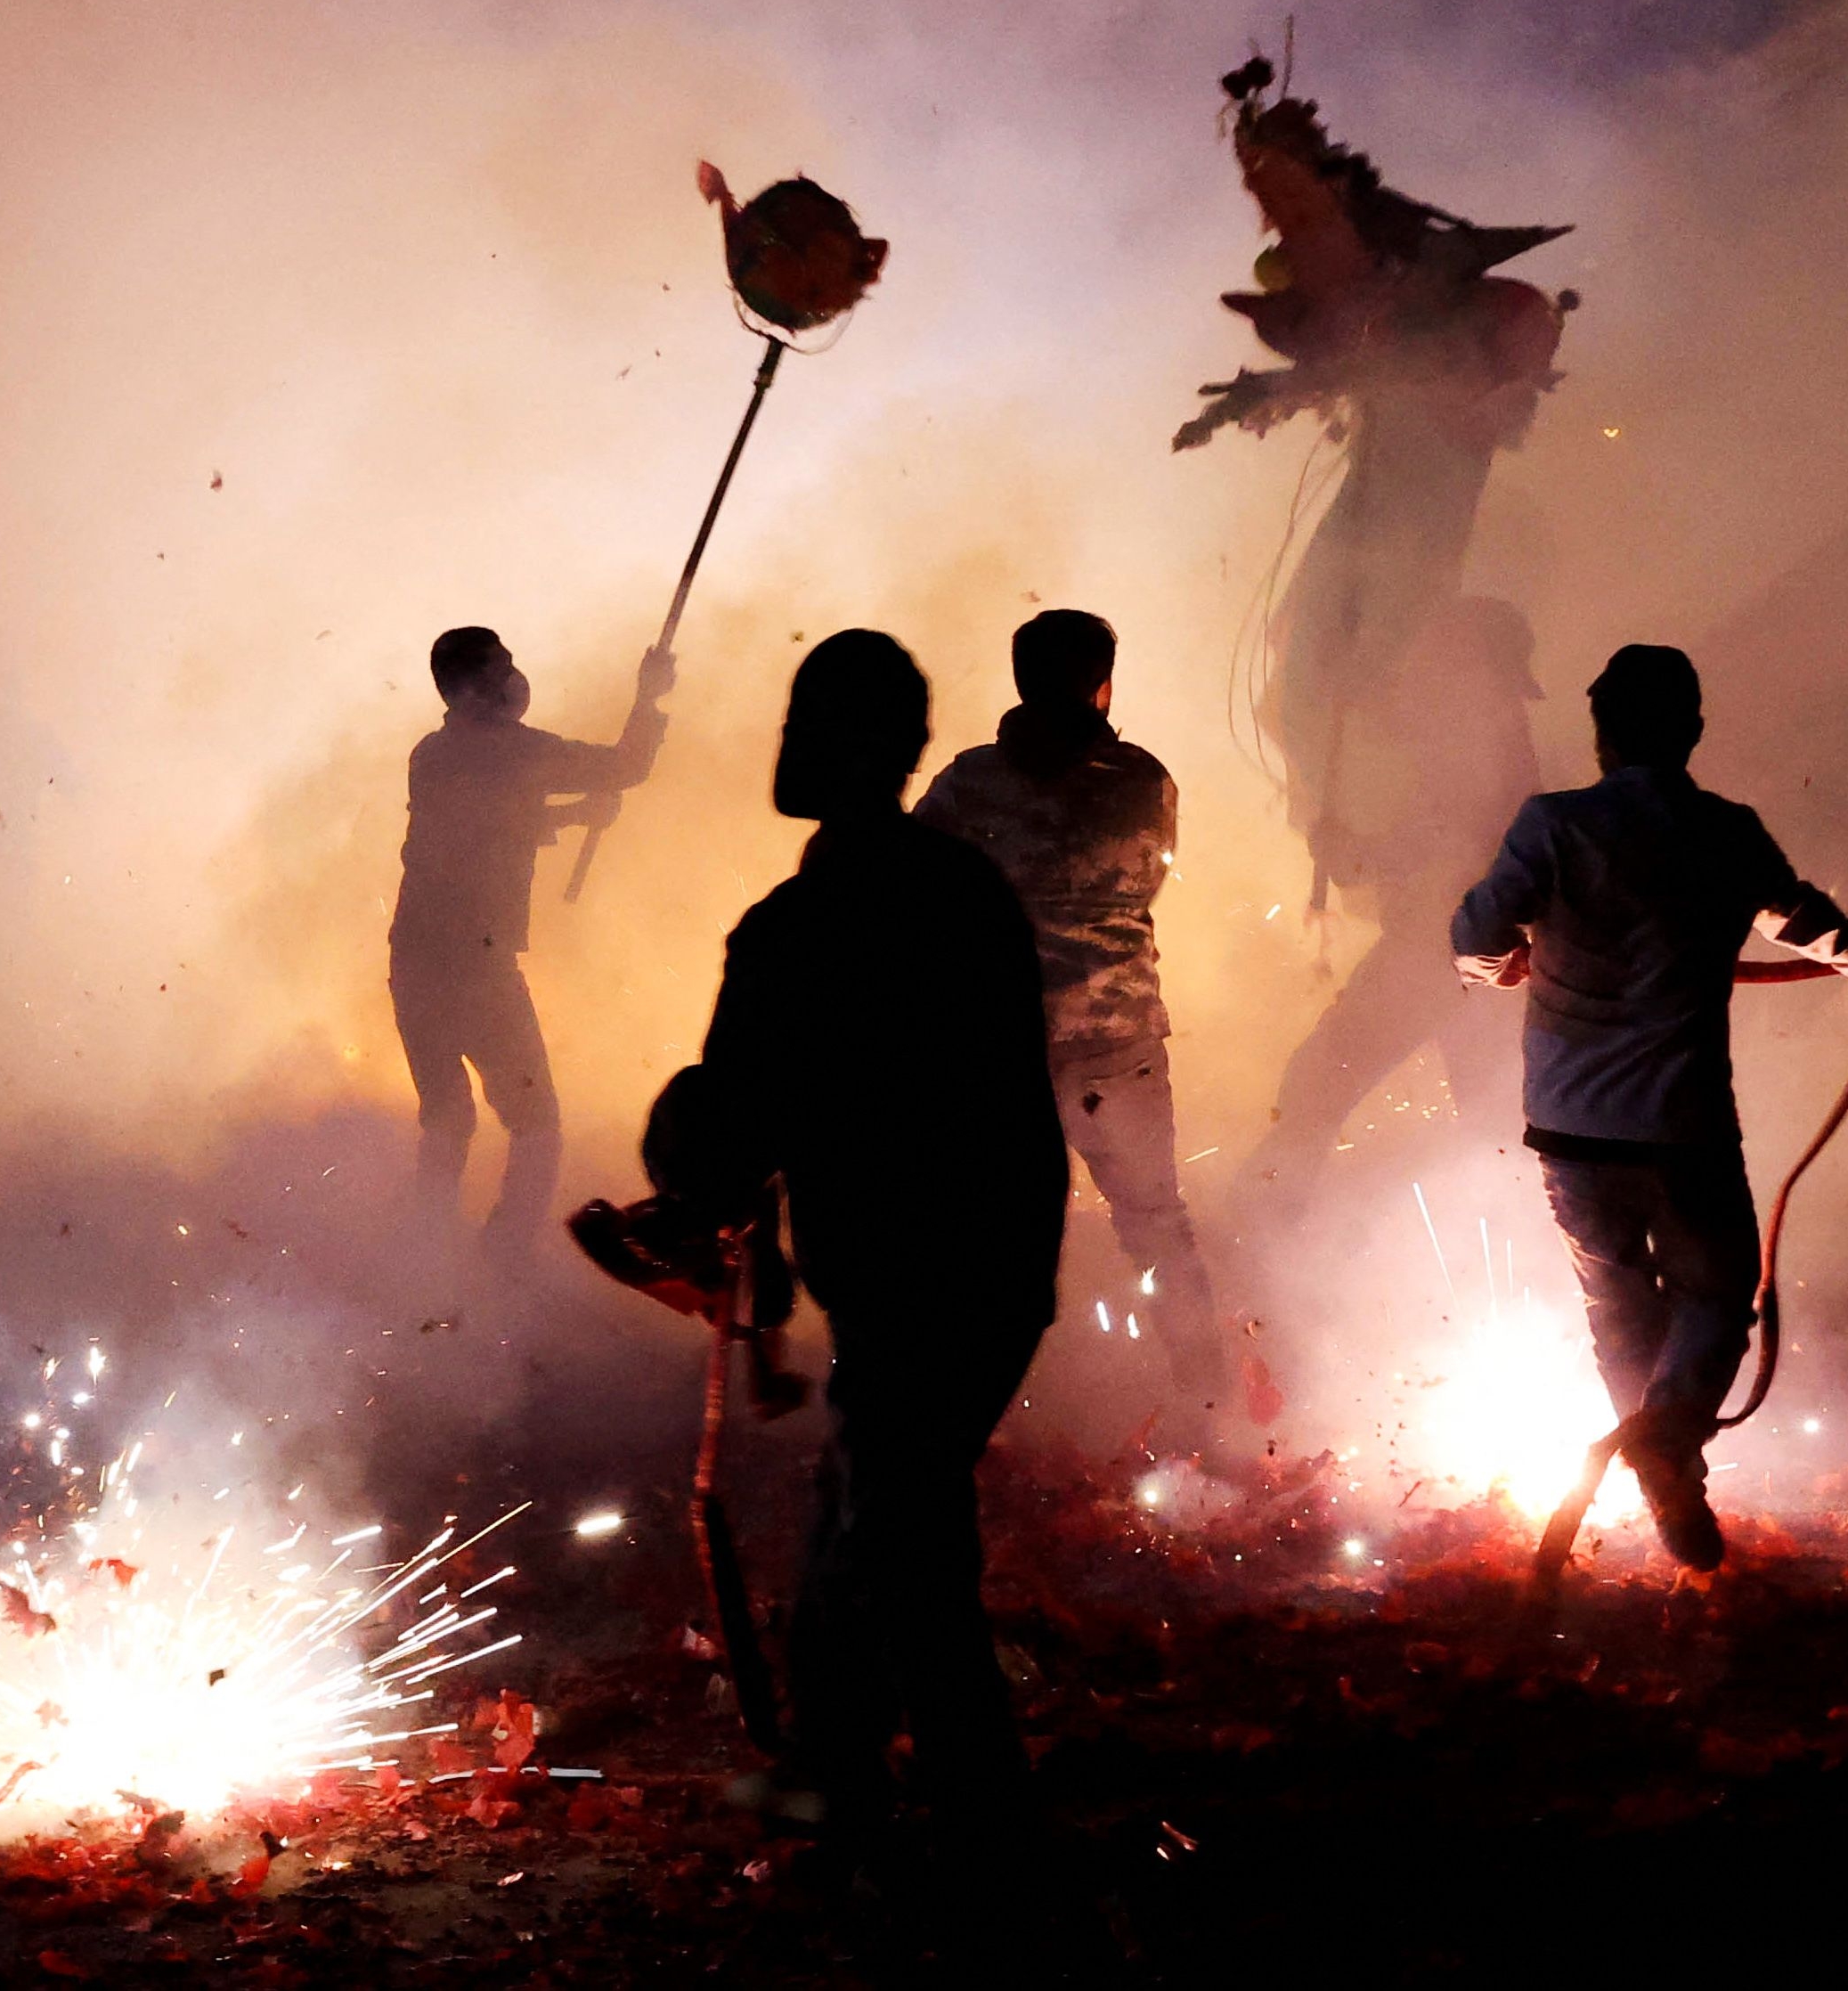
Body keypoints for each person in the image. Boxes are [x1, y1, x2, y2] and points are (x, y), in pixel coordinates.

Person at [654, 630, 1065, 1826]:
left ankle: (969, 1816)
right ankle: (845, 1766)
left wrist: (687, 1155)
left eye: (800, 719)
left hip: (908, 1276)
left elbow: (731, 1128)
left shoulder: (797, 925)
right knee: (876, 1503)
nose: (781, 739)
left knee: (899, 1539)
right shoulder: (965, 887)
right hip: (997, 1266)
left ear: (837, 746)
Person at [1449, 644, 1848, 1571]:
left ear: (1599, 732)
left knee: (1616, 1307)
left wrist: (1500, 967)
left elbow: (1475, 932)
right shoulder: (1723, 830)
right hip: (1682, 1123)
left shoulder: (1552, 824)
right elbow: (1803, 917)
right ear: (1690, 729)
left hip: (1569, 1129)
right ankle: (1669, 1446)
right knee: (1717, 1296)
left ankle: (1666, 1465)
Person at [913, 610, 1222, 1429]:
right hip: (1118, 1046)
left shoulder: (965, 785)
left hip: (997, 1052)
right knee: (1156, 1225)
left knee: (983, 1240)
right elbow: (1147, 884)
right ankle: (1211, 1401)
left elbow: (911, 886)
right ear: (1103, 684)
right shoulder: (1145, 781)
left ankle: (969, 1417)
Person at [1248, 598, 1543, 1211]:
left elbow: (1446, 838)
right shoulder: (1488, 730)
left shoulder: (1477, 738)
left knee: (1318, 1080)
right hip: (1486, 952)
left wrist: (1355, 853)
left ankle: (1261, 1225)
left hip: (1445, 950)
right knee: (1494, 1117)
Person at [388, 627, 672, 1258]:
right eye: (502, 668)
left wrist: (571, 816)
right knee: (537, 1123)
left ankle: (423, 1256)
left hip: (413, 961)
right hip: (476, 966)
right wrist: (647, 699)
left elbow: (482, 825)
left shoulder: (431, 756)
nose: (515, 677)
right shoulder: (514, 751)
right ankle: (503, 1257)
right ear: (473, 687)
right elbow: (626, 766)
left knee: (446, 1118)